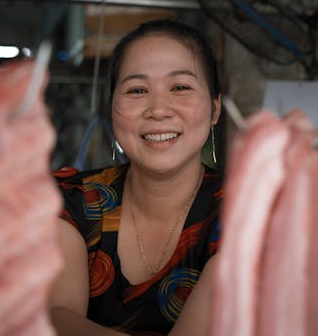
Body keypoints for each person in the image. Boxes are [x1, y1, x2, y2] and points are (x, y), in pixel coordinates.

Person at [49, 18, 223, 336]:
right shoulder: (72, 199)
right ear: (111, 105)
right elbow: (55, 317)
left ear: (215, 109)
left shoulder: (246, 214)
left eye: (180, 87)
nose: (158, 110)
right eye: (137, 90)